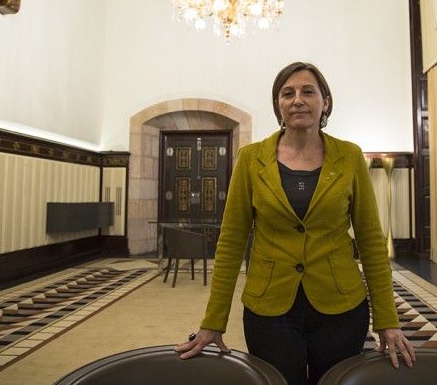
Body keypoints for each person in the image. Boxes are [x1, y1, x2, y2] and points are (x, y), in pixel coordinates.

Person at [175, 62, 415, 384]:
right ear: (278, 104)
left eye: (307, 92)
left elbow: (371, 240)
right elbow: (231, 241)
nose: (297, 100)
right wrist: (213, 320)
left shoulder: (350, 157)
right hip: (269, 309)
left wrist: (387, 318)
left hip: (340, 306)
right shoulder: (250, 159)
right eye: (287, 93)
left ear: (325, 102)